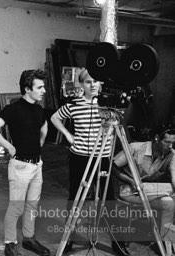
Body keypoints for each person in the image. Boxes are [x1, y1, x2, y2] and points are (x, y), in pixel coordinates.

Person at [50, 69, 131, 256]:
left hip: (102, 158)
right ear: (81, 85)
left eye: (95, 81)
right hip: (80, 156)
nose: (92, 85)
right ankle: (69, 239)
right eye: (87, 82)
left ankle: (118, 244)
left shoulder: (109, 104)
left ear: (101, 83)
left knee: (108, 198)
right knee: (75, 197)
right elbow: (55, 117)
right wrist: (68, 135)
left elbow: (119, 123)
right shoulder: (74, 105)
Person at [0, 69, 50, 256]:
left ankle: (29, 239)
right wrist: (9, 147)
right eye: (39, 87)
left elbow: (44, 125)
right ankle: (10, 244)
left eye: (44, 86)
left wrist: (40, 143)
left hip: (37, 165)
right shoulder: (13, 109)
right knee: (16, 207)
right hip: (20, 166)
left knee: (32, 205)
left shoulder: (38, 109)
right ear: (27, 89)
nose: (44, 90)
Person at [112, 125, 175, 244]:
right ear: (157, 138)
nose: (170, 146)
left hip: (149, 192)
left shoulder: (172, 154)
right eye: (167, 142)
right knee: (170, 189)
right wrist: (131, 181)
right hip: (128, 190)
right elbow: (113, 167)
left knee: (169, 203)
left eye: (173, 143)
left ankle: (166, 242)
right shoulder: (135, 147)